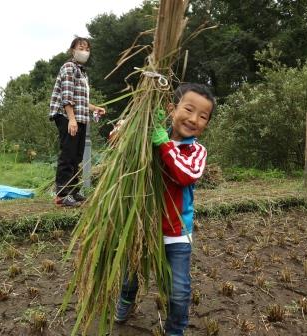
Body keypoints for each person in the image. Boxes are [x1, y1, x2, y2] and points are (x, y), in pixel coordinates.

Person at [114, 83, 216, 336]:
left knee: (179, 290)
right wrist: (129, 128)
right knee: (130, 277)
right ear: (172, 109)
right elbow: (117, 145)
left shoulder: (196, 151)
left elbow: (185, 175)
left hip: (176, 231)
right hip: (141, 225)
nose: (194, 119)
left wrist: (164, 145)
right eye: (189, 110)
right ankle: (125, 302)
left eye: (203, 116)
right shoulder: (150, 138)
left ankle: (175, 330)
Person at [49, 36, 106, 207]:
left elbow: (81, 100)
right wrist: (71, 120)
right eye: (81, 47)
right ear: (73, 50)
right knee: (68, 154)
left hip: (79, 117)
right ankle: (62, 194)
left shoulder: (82, 72)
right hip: (66, 116)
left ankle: (73, 191)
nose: (84, 51)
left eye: (87, 49)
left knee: (77, 156)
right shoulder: (69, 67)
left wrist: (95, 108)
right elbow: (67, 97)